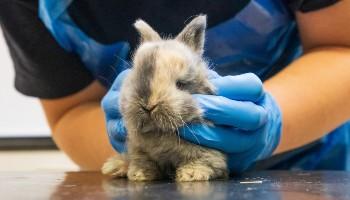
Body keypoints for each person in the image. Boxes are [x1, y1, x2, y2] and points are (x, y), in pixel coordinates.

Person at [0, 0, 349, 172]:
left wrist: (272, 119)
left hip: (314, 168)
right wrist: (131, 142)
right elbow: (69, 112)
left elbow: (341, 48)